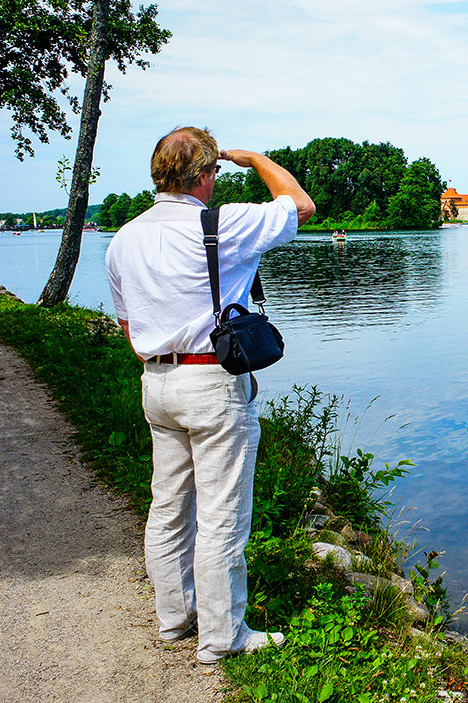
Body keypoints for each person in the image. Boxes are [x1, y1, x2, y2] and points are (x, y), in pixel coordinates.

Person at [105, 126, 315, 664]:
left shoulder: (124, 238)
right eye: (216, 170)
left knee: (168, 507)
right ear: (206, 174)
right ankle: (222, 637)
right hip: (212, 384)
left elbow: (131, 333)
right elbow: (300, 204)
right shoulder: (222, 223)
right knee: (221, 516)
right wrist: (254, 157)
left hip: (157, 383)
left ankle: (175, 618)